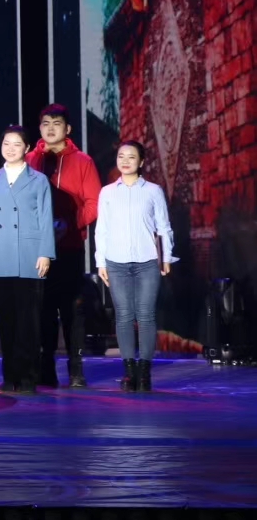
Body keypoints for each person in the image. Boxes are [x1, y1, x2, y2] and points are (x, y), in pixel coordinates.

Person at [0, 126, 54, 395]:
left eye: (16, 144)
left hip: (30, 255)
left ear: (27, 148)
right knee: (6, 321)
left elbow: (46, 218)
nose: (10, 148)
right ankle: (10, 377)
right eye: (6, 143)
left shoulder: (39, 180)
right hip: (0, 253)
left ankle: (29, 378)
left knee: (29, 322)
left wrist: (45, 252)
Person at [25, 103, 101, 388]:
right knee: (42, 310)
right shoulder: (29, 159)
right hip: (36, 250)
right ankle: (45, 368)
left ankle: (76, 369)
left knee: (72, 311)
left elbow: (94, 202)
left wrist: (72, 222)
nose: (50, 128)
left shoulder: (82, 161)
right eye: (45, 123)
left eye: (56, 123)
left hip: (69, 246)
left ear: (67, 129)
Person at [95, 140, 176, 392]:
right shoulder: (107, 192)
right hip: (116, 261)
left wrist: (166, 257)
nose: (126, 161)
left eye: (131, 157)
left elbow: (163, 226)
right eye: (121, 156)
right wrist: (100, 261)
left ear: (141, 162)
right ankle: (129, 372)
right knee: (123, 315)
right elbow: (101, 229)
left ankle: (144, 372)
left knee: (146, 315)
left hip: (147, 261)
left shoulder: (153, 191)